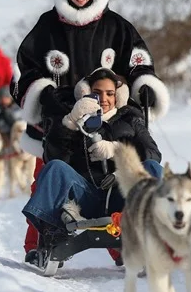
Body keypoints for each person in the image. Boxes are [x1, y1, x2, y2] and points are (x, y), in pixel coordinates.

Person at [14, 0, 171, 263]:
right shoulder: (47, 26)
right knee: (46, 178)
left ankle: (124, 247)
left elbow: (137, 60)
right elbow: (27, 66)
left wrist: (144, 83)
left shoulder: (116, 26)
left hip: (112, 120)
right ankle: (39, 243)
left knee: (117, 178)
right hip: (59, 118)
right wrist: (45, 95)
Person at [21, 68, 162, 267]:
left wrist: (117, 150)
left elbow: (153, 154)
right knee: (54, 168)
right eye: (97, 93)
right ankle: (53, 238)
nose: (104, 99)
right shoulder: (75, 117)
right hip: (85, 196)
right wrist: (70, 123)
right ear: (86, 92)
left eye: (110, 93)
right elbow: (53, 157)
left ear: (117, 96)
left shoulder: (130, 118)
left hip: (122, 195)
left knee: (152, 168)